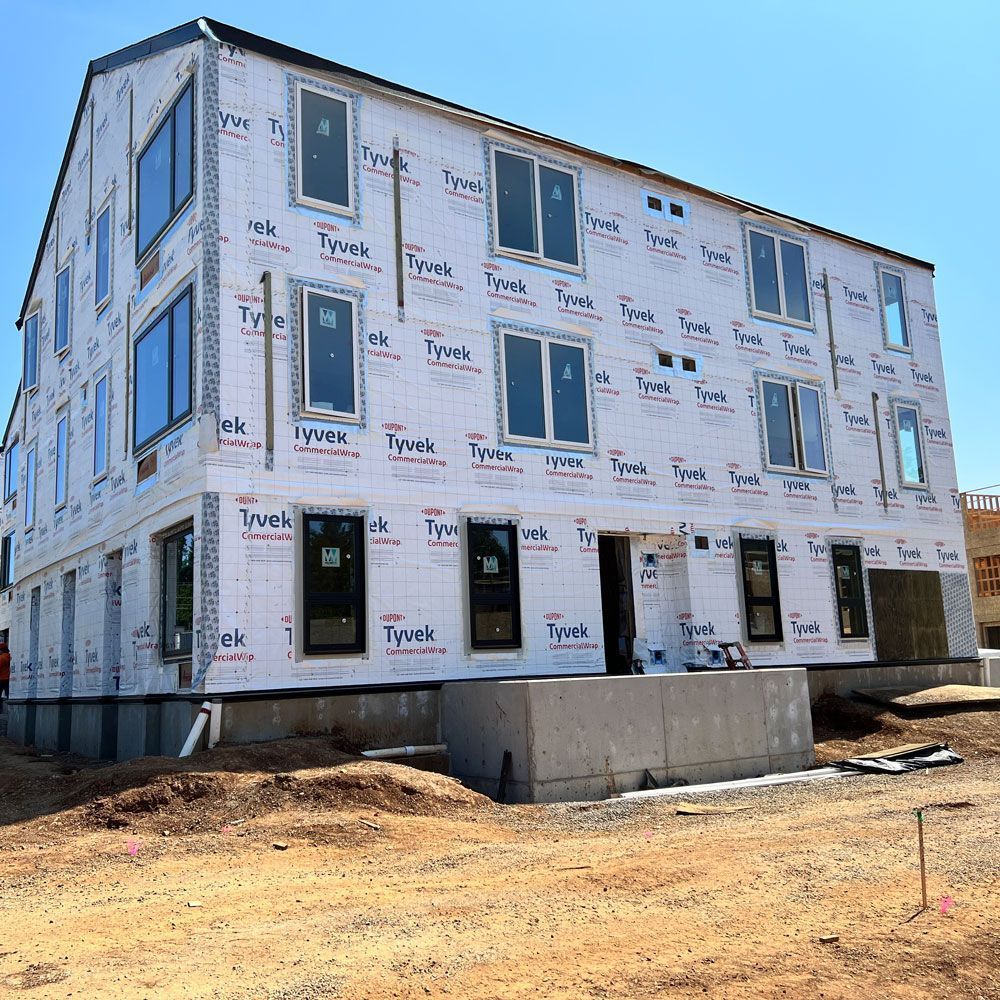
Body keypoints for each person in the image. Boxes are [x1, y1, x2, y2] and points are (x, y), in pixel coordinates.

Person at [0, 641, 10, 711]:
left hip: (1, 678)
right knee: (8, 694)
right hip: (8, 678)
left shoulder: (1, 658)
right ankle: (10, 709)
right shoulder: (9, 656)